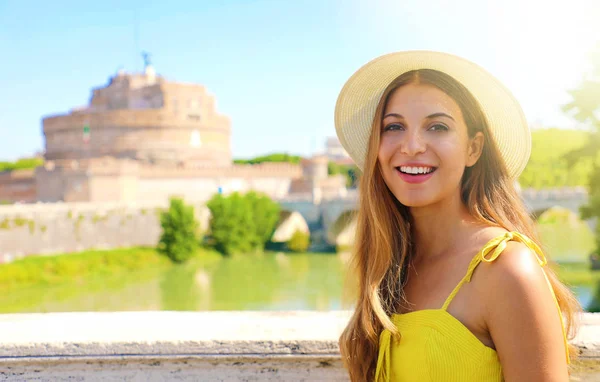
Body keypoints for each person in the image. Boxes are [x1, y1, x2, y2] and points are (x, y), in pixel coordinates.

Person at [334, 51, 581, 382]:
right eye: (394, 126)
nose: (411, 146)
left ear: (473, 149)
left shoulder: (506, 269)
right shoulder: (390, 265)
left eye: (437, 126)